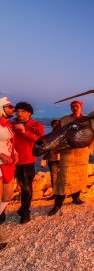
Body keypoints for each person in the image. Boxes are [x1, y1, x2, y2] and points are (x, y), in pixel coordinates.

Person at [48, 100, 90, 216]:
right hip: (67, 152)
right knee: (63, 177)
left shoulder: (87, 119)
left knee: (80, 176)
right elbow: (56, 134)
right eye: (73, 106)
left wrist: (90, 146)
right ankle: (58, 204)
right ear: (70, 108)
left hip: (82, 152)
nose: (75, 108)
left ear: (81, 107)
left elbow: (92, 134)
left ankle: (76, 198)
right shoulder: (64, 119)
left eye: (77, 106)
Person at [12, 102, 44, 224]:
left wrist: (25, 132)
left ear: (29, 113)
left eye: (22, 111)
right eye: (17, 111)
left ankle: (25, 212)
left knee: (26, 188)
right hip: (9, 161)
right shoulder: (11, 124)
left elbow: (40, 141)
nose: (19, 113)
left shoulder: (36, 125)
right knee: (6, 189)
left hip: (26, 160)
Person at [0, 97, 18, 250]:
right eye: (9, 106)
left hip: (8, 164)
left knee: (7, 196)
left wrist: (16, 152)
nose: (13, 109)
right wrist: (0, 155)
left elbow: (9, 143)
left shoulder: (8, 125)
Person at [40, 119, 61, 198]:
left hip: (63, 159)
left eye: (57, 124)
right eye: (54, 124)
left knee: (64, 176)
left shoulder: (63, 136)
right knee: (54, 177)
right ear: (52, 126)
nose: (56, 125)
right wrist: (43, 160)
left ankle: (63, 193)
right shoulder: (49, 137)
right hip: (52, 159)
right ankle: (55, 194)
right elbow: (46, 149)